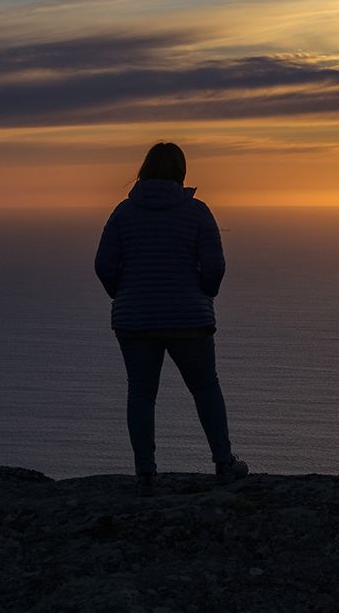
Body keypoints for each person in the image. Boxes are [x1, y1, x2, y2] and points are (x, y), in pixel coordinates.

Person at [93, 141, 247, 494]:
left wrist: (123, 293)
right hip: (188, 317)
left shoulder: (123, 213)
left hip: (134, 320)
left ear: (143, 171)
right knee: (205, 386)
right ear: (181, 173)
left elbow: (103, 265)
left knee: (142, 394)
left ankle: (145, 473)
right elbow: (214, 266)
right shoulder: (197, 212)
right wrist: (205, 291)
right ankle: (224, 464)